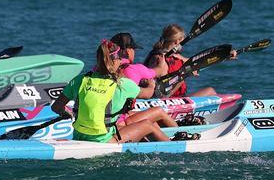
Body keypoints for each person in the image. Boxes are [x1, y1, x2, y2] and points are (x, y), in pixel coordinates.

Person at [51, 40, 198, 143]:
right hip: (105, 141)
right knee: (147, 125)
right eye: (120, 60)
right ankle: (174, 147)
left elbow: (56, 107)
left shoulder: (80, 79)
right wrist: (152, 85)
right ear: (115, 62)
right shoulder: (123, 85)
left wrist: (66, 112)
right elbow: (148, 94)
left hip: (78, 137)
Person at [144, 24, 217, 98]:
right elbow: (163, 94)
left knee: (210, 90)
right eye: (182, 41)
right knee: (210, 91)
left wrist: (221, 56)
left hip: (176, 98)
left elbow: (197, 61)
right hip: (164, 100)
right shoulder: (159, 59)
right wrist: (186, 74)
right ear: (176, 42)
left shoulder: (175, 56)